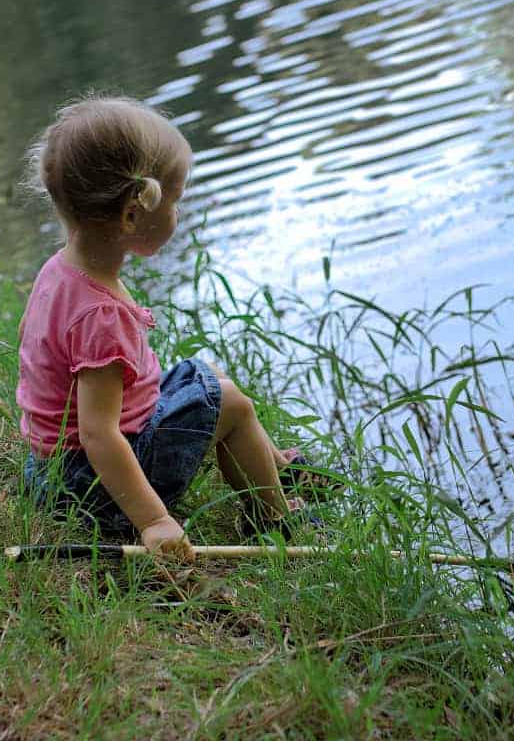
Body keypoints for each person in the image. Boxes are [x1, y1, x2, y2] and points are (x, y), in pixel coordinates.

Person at [16, 95, 308, 562]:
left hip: (47, 471)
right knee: (230, 404)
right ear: (133, 215)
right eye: (174, 201)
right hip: (89, 489)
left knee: (205, 376)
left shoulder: (60, 271)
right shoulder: (101, 315)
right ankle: (274, 518)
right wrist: (154, 522)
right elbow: (98, 434)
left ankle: (274, 467)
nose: (178, 213)